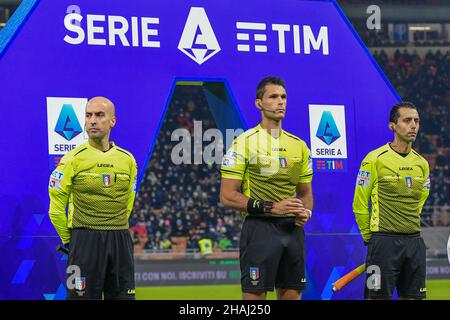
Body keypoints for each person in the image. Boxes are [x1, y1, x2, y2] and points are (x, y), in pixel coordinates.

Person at [220, 76, 313, 300]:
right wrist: (273, 208)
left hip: (293, 231)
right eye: (273, 97)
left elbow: (306, 193)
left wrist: (306, 212)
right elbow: (227, 196)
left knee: (292, 295)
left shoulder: (299, 146)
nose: (280, 102)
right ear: (258, 103)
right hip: (259, 229)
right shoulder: (243, 142)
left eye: (283, 97)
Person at [48, 97, 138, 300]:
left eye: (99, 115)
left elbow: (128, 203)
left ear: (112, 121)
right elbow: (55, 209)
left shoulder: (128, 160)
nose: (92, 121)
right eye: (88, 115)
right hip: (84, 241)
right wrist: (73, 243)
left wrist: (116, 226)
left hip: (120, 240)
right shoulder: (72, 158)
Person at [353, 101, 430, 300]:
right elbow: (359, 203)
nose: (413, 125)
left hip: (414, 243)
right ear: (392, 126)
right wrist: (371, 239)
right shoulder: (374, 159)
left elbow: (420, 200)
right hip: (383, 243)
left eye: (416, 121)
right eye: (407, 120)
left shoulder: (422, 164)